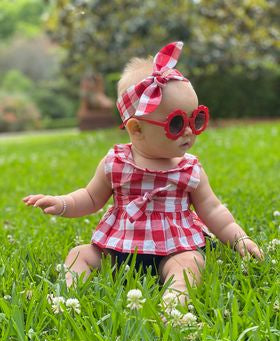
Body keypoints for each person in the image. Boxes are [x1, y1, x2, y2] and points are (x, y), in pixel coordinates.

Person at [23, 41, 263, 304]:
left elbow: (213, 210)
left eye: (196, 119)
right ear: (136, 129)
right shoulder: (115, 163)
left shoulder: (189, 168)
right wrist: (63, 203)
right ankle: (63, 296)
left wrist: (239, 238)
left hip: (174, 248)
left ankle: (174, 302)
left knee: (190, 262)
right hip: (119, 248)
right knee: (81, 254)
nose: (188, 131)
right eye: (176, 123)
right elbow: (91, 198)